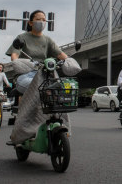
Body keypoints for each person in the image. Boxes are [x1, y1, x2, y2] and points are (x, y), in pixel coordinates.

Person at [6, 9, 80, 145]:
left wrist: (69, 61)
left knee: (61, 89)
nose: (41, 22)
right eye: (38, 19)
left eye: (44, 19)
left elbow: (61, 55)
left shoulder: (48, 40)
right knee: (35, 87)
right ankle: (20, 133)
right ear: (30, 22)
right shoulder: (22, 38)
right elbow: (15, 56)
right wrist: (17, 61)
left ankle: (61, 125)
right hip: (27, 74)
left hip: (45, 74)